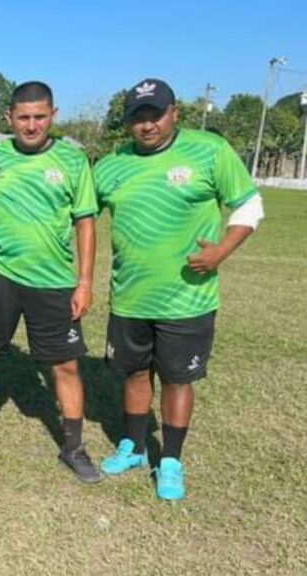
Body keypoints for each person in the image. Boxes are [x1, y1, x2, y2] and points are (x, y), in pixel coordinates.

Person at [93, 78, 264, 500]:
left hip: (188, 298)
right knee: (134, 372)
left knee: (176, 378)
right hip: (130, 296)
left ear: (175, 113)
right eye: (138, 117)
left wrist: (221, 251)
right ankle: (134, 446)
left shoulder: (210, 150)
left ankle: (170, 458)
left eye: (155, 114)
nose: (147, 124)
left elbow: (249, 204)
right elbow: (80, 214)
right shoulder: (110, 166)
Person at [0, 81, 101, 483]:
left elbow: (86, 221)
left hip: (53, 282)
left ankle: (74, 448)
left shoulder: (73, 161)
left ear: (53, 115)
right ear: (9, 118)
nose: (31, 125)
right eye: (23, 118)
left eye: (39, 117)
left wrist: (84, 282)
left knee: (65, 365)